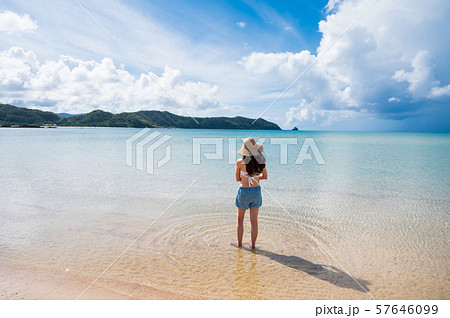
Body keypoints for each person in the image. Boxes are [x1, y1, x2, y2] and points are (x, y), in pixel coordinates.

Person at [234, 137, 268, 248]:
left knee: (240, 220)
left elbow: (238, 179)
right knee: (254, 221)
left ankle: (239, 244)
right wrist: (256, 178)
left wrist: (246, 178)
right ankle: (253, 245)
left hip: (244, 191)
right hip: (256, 191)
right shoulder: (261, 162)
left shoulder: (239, 163)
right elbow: (265, 176)